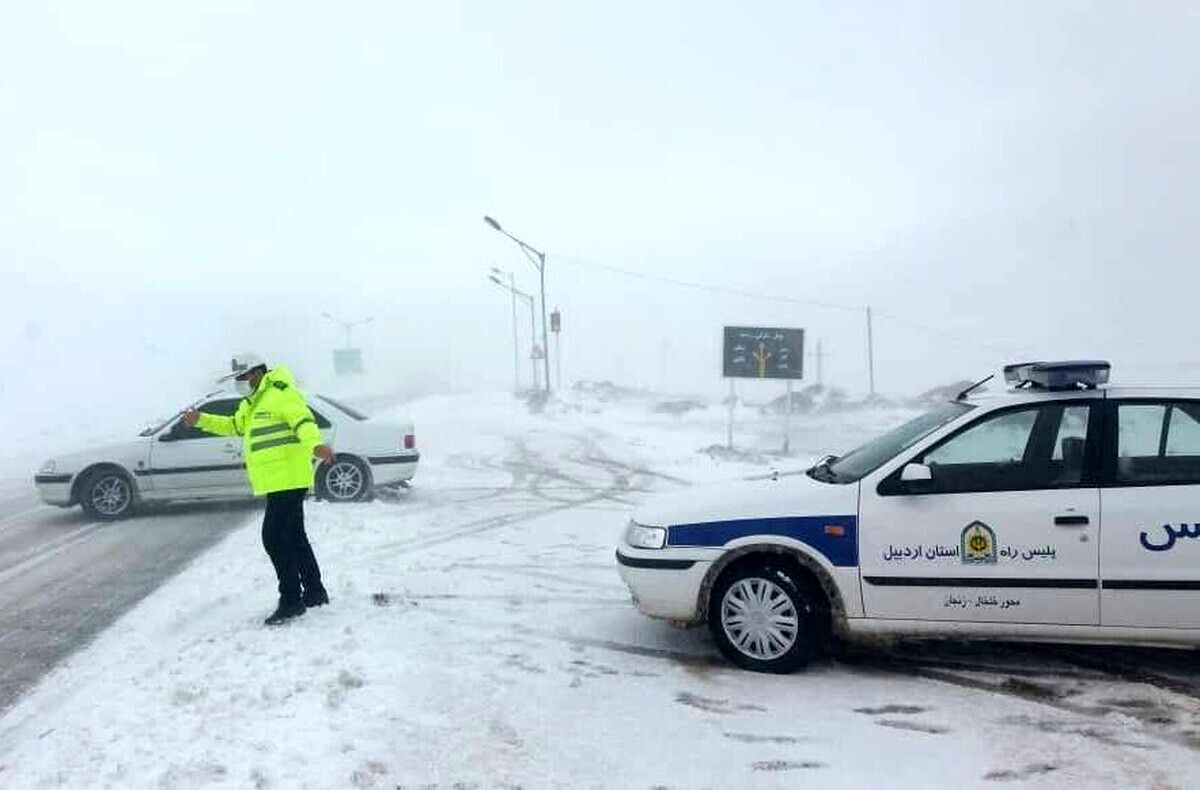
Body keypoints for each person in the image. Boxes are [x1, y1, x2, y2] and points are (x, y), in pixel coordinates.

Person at [182, 353, 335, 626]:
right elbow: (233, 425)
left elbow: (303, 421)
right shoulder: (250, 404)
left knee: (273, 538)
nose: (239, 383)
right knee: (294, 536)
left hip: (288, 477)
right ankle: (314, 592)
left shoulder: (281, 393)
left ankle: (291, 601)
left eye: (241, 377)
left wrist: (315, 445)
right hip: (278, 479)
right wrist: (200, 420)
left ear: (256, 373)